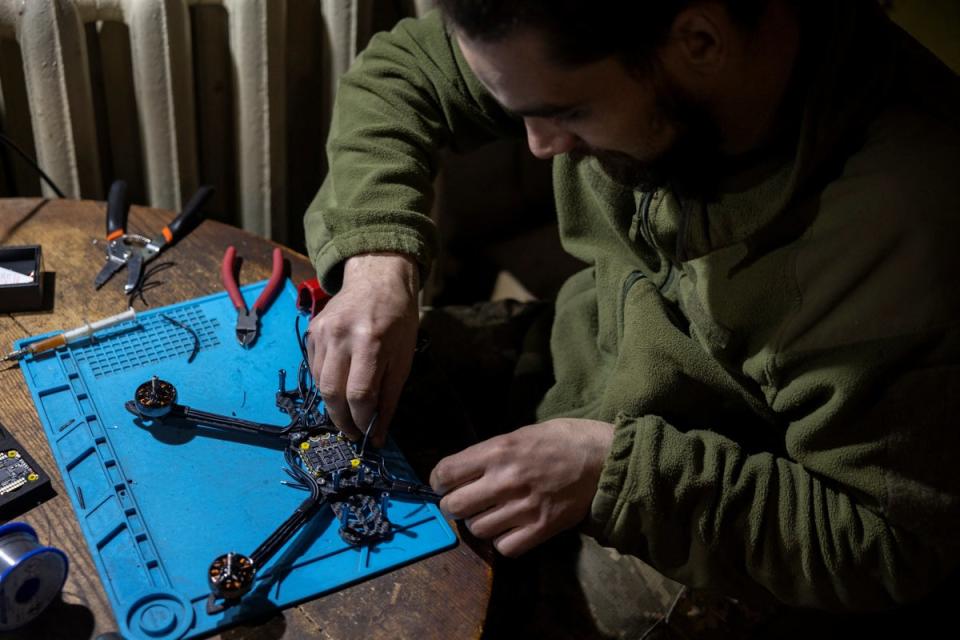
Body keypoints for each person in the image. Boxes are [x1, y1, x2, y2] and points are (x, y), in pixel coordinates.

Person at [303, 0, 960, 632]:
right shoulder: (573, 32)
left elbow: (893, 545)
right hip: (578, 362)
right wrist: (377, 258)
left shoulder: (908, 225)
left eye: (566, 111)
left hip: (721, 521)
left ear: (699, 41)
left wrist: (618, 475)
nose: (538, 145)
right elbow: (401, 73)